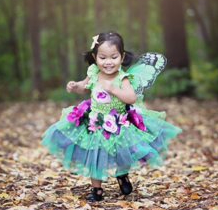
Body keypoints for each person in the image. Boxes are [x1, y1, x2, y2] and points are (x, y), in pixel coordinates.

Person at [41, 31, 182, 201]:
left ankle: (122, 175)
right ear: (95, 57)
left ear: (122, 57)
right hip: (95, 122)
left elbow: (131, 98)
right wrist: (75, 85)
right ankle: (97, 189)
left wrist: (114, 89)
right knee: (95, 155)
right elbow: (85, 87)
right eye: (103, 57)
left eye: (113, 57)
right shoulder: (93, 72)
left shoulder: (122, 78)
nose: (108, 62)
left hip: (118, 123)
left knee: (121, 153)